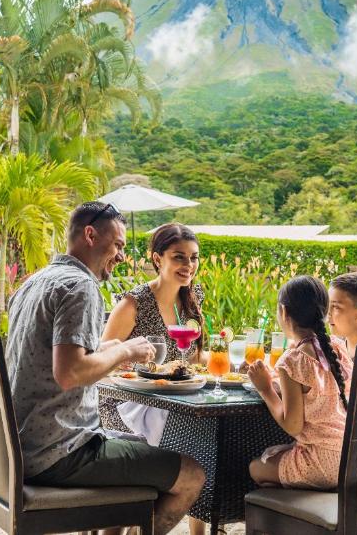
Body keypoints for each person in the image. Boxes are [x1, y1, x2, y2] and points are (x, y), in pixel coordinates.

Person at [5, 201, 205, 535]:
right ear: (90, 235)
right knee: (191, 475)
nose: (122, 255)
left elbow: (53, 355)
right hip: (61, 452)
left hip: (24, 446)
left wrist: (109, 348)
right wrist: (126, 347)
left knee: (147, 453)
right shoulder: (80, 287)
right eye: (118, 245)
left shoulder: (37, 281)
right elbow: (69, 373)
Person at [101, 222, 210, 535]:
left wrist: (213, 362)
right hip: (126, 403)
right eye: (179, 257)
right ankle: (132, 522)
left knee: (207, 434)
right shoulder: (132, 303)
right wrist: (134, 363)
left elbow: (191, 358)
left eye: (193, 258)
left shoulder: (192, 298)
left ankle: (197, 527)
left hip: (173, 400)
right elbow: (103, 362)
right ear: (157, 258)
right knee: (192, 434)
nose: (188, 265)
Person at [247, 275, 353, 490]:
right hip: (349, 460)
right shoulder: (338, 347)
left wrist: (265, 388)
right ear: (324, 311)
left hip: (321, 463)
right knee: (275, 464)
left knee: (255, 468)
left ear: (284, 312)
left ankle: (293, 510)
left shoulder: (293, 361)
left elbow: (293, 425)